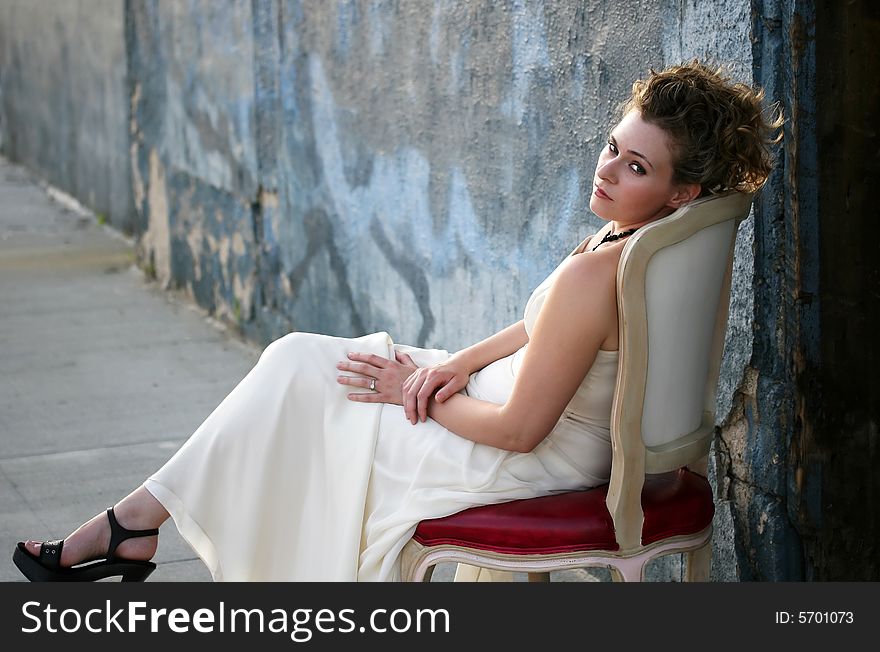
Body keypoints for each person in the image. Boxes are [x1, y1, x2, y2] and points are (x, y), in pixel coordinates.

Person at [13, 60, 782, 582]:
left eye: (636, 167)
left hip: (523, 451)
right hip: (535, 416)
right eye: (613, 148)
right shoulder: (643, 241)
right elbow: (540, 330)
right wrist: (451, 364)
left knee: (312, 395)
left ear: (681, 190)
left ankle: (127, 526)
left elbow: (518, 431)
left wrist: (419, 388)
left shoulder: (600, 269)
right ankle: (135, 520)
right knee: (298, 364)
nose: (607, 170)